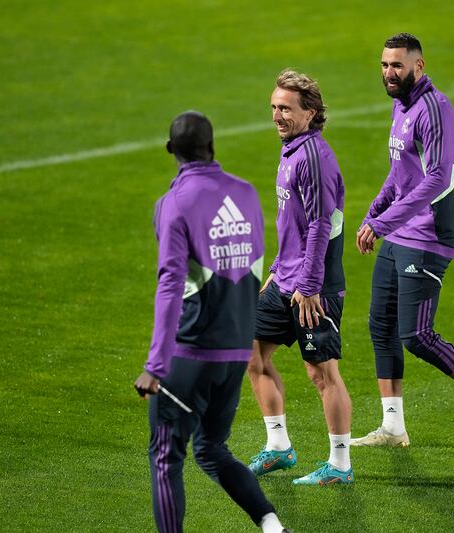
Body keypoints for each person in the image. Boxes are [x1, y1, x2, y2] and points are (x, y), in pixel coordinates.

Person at [352, 33, 454, 452]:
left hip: (428, 234)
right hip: (400, 230)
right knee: (380, 323)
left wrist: (385, 221)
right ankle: (393, 427)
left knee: (416, 335)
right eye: (384, 65)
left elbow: (438, 179)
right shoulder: (401, 105)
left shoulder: (435, 108)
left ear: (419, 66)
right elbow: (400, 170)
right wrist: (375, 213)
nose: (389, 73)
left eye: (397, 66)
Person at [134, 111, 289, 533]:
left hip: (192, 353)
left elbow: (170, 285)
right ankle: (272, 525)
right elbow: (251, 266)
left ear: (171, 151)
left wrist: (155, 365)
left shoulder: (172, 206)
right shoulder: (246, 194)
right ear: (212, 145)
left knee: (166, 456)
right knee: (211, 447)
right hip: (238, 349)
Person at [246, 69, 353, 486]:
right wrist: (277, 269)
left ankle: (340, 465)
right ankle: (278, 448)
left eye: (285, 109)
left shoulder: (313, 156)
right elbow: (291, 223)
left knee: (322, 373)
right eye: (274, 107)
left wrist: (307, 286)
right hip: (286, 278)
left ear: (310, 112)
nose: (277, 115)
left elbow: (319, 225)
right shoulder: (291, 148)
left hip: (314, 287)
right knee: (253, 354)